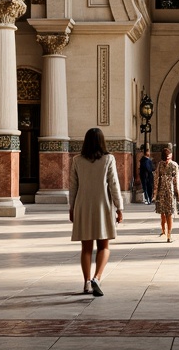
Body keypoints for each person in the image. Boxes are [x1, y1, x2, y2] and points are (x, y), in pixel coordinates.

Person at [69, 127, 123, 296]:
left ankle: (86, 283)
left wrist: (72, 208)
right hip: (103, 206)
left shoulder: (77, 160)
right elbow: (114, 184)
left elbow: (73, 187)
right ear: (102, 141)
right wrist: (119, 207)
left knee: (86, 247)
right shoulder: (108, 159)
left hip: (83, 205)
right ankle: (97, 278)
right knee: (104, 246)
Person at [154, 144, 179, 241]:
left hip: (170, 191)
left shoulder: (173, 165)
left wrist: (178, 192)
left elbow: (176, 180)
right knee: (163, 213)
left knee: (169, 213)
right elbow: (157, 178)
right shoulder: (161, 164)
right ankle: (164, 231)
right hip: (163, 191)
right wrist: (155, 192)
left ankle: (169, 234)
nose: (167, 160)